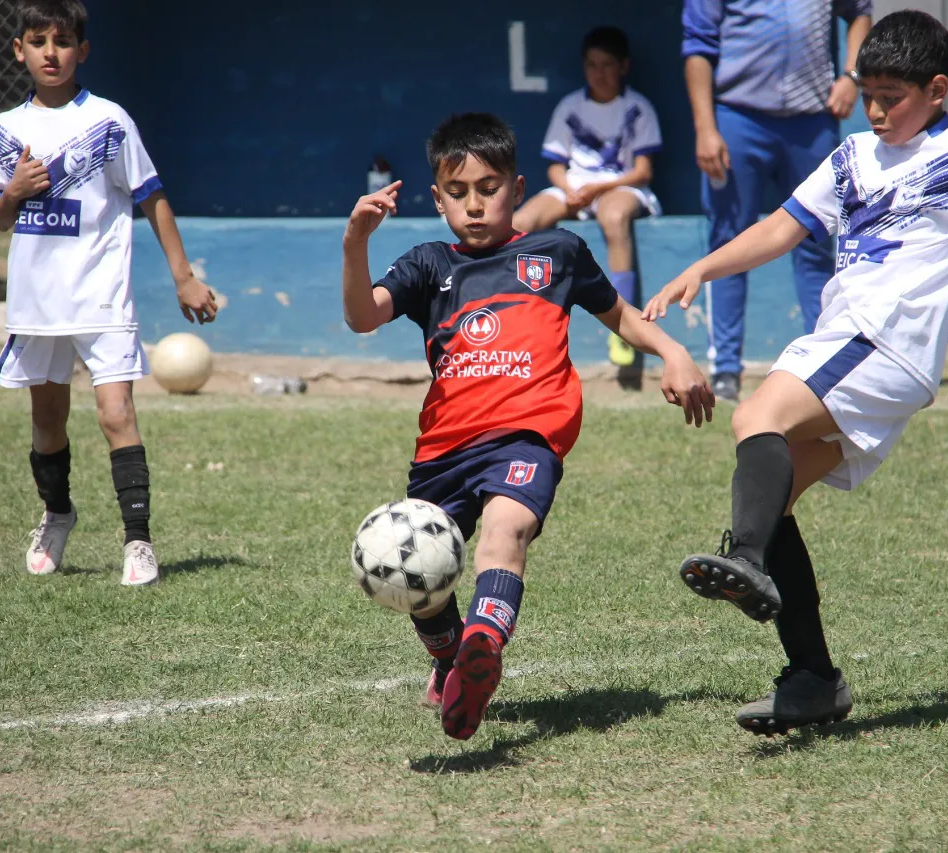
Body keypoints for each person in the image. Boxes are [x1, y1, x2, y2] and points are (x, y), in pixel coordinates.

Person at [644, 10, 948, 735]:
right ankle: (814, 678)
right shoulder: (851, 156)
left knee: (756, 419)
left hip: (882, 341)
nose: (877, 110)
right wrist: (704, 265)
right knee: (773, 488)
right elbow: (784, 226)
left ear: (937, 89)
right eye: (868, 93)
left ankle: (746, 560)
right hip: (859, 344)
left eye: (892, 96)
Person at [343, 113, 713, 740]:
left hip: (526, 435)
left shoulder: (557, 251)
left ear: (516, 190)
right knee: (421, 573)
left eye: (488, 189)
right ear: (437, 199)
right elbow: (361, 316)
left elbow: (619, 314)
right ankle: (449, 657)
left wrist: (673, 352)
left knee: (504, 530)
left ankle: (483, 648)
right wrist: (356, 243)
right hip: (442, 450)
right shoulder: (430, 264)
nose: (474, 205)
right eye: (457, 193)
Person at [0, 0, 218, 586]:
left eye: (62, 41)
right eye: (38, 41)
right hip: (38, 304)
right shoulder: (5, 130)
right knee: (48, 420)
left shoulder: (109, 122)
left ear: (82, 51)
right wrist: (13, 190)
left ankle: (138, 542)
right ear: (20, 50)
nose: (50, 52)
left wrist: (182, 274)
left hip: (101, 296)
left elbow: (151, 196)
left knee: (117, 413)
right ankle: (57, 513)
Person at [683, 0, 873, 401]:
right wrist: (704, 127)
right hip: (738, 116)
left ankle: (823, 362)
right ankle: (726, 369)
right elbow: (697, 47)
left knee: (816, 243)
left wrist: (852, 76)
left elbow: (860, 11)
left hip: (811, 120)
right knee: (729, 243)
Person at [513, 26, 662, 374]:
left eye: (607, 64)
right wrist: (569, 190)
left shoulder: (638, 107)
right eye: (592, 65)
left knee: (612, 216)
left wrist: (597, 190)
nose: (599, 73)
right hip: (575, 188)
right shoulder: (570, 106)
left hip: (622, 188)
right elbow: (555, 166)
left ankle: (623, 329)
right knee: (521, 222)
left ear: (623, 66)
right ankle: (512, 311)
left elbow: (643, 171)